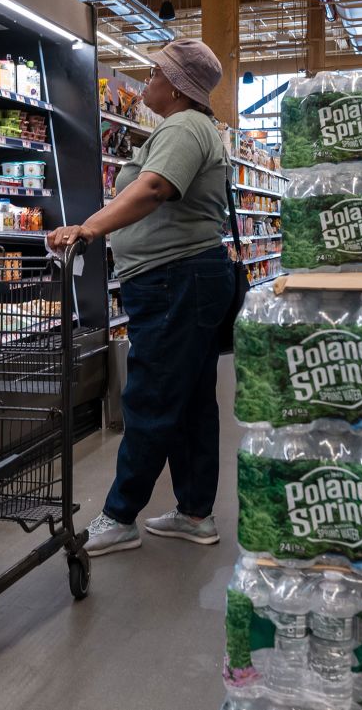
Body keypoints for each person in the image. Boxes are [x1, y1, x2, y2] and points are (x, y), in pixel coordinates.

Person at [47, 39, 234, 556]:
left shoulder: (184, 127)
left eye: (154, 73)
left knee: (150, 396)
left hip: (176, 280)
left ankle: (121, 514)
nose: (146, 81)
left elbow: (152, 189)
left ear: (175, 86)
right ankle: (195, 513)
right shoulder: (191, 127)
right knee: (192, 400)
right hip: (185, 279)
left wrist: (87, 229)